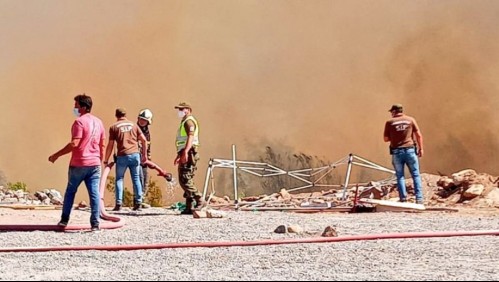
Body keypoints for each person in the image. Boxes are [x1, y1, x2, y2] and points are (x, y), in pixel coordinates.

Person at [48, 94, 106, 231]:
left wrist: (56, 155)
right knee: (94, 193)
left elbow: (74, 143)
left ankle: (64, 220)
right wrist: (100, 160)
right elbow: (102, 144)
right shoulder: (99, 122)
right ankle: (95, 224)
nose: (74, 109)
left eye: (76, 106)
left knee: (70, 192)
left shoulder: (79, 122)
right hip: (95, 164)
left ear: (84, 107)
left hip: (79, 163)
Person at [103, 108, 148, 211]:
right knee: (136, 178)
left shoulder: (114, 127)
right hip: (135, 155)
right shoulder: (134, 125)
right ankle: (138, 202)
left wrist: (106, 160)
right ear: (125, 115)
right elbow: (144, 140)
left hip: (122, 156)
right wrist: (144, 155)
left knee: (119, 178)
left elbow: (110, 145)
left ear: (116, 115)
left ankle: (118, 204)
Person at [383, 104, 425, 204]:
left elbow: (385, 139)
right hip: (410, 150)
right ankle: (419, 199)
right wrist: (421, 149)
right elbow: (418, 135)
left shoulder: (390, 122)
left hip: (397, 152)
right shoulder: (411, 120)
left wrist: (394, 137)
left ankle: (403, 199)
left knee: (400, 176)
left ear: (394, 112)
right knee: (416, 175)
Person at [173, 102, 204, 215]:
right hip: (185, 152)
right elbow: (183, 140)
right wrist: (179, 155)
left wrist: (185, 152)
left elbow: (190, 137)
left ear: (188, 110)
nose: (179, 111)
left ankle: (199, 198)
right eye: (179, 109)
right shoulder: (184, 122)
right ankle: (189, 206)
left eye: (182, 109)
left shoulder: (189, 122)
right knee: (185, 177)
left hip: (190, 152)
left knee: (185, 179)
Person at [137, 109, 153, 204]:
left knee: (145, 177)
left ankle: (142, 198)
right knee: (138, 178)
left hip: (144, 158)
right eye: (141, 119)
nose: (142, 122)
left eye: (145, 120)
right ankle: (137, 200)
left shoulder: (146, 131)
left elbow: (148, 144)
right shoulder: (135, 129)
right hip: (136, 156)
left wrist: (148, 156)